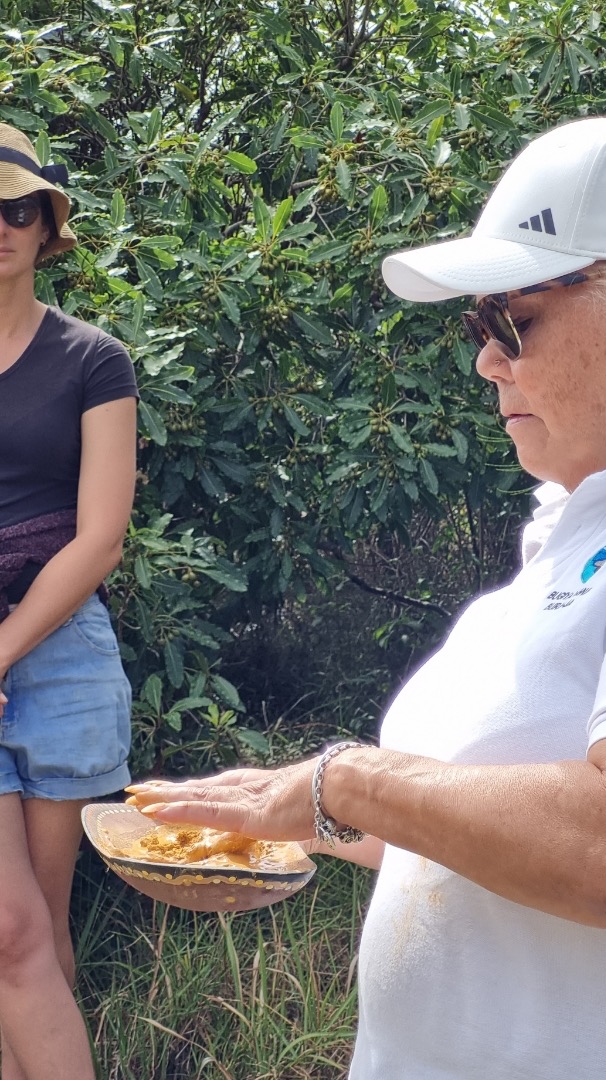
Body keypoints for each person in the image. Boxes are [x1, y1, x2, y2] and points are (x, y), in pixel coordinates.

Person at [128, 81, 606, 1078]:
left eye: (510, 323)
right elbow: (500, 828)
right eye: (477, 330)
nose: (485, 366)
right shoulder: (589, 518)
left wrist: (355, 782)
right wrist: (302, 813)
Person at [0, 125, 137, 1080]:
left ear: (50, 228)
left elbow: (100, 536)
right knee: (10, 934)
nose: (0, 226)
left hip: (58, 650)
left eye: (18, 209)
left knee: (41, 933)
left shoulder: (94, 359)